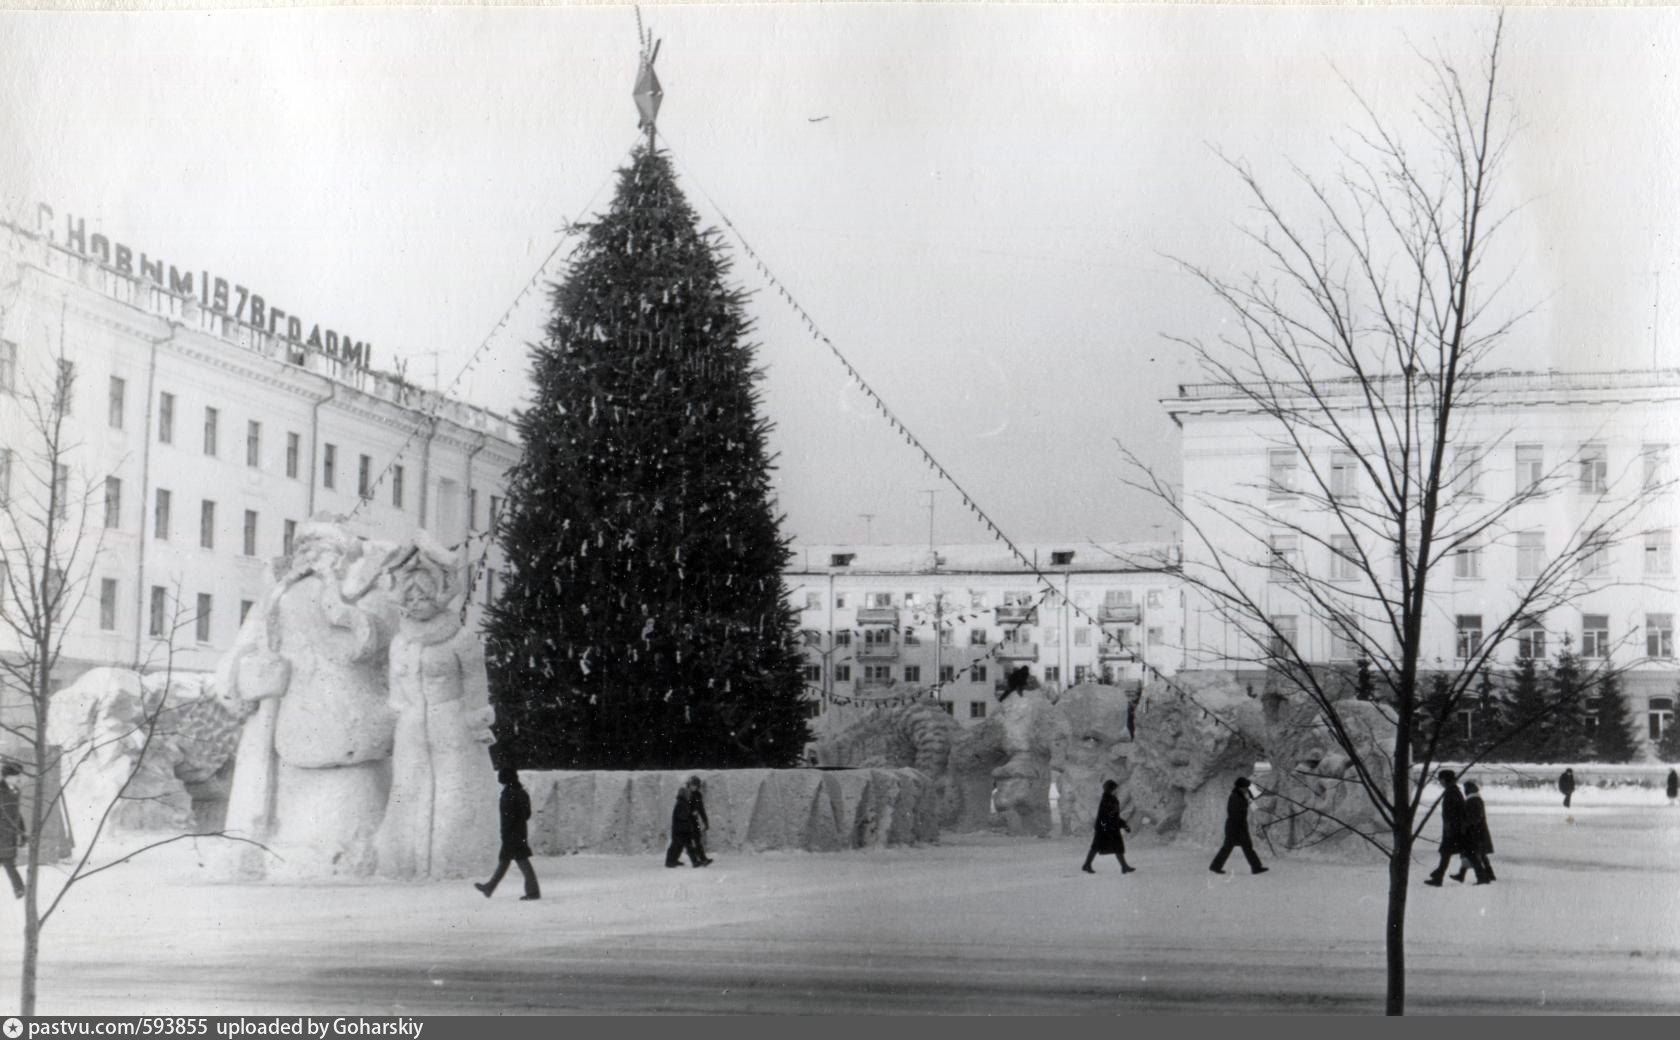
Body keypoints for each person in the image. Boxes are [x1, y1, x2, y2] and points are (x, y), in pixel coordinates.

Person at [475, 768, 540, 900]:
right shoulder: (522, 793)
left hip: (511, 833)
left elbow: (507, 817)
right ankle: (489, 887)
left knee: (520, 860)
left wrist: (506, 832)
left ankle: (533, 892)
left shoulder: (508, 794)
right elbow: (527, 814)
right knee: (507, 860)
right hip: (520, 831)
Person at [1210, 776, 1269, 876]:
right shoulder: (1235, 797)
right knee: (1235, 847)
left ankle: (1216, 866)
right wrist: (1241, 826)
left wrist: (1264, 792)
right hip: (1235, 826)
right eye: (1246, 786)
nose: (1247, 788)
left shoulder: (1242, 794)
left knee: (1242, 847)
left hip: (1237, 826)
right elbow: (1235, 813)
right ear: (1240, 787)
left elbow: (1252, 798)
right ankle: (1256, 867)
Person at [1425, 769, 1471, 886]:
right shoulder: (1454, 791)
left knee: (1446, 852)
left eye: (1440, 779)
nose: (1439, 782)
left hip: (1452, 829)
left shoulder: (1451, 793)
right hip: (1454, 828)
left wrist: (1449, 829)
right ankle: (1440, 875)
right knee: (1448, 852)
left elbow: (1454, 814)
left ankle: (1438, 877)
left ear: (1444, 780)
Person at [1081, 780, 1136, 874]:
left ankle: (1124, 866)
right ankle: (1087, 865)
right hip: (1107, 828)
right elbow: (1112, 816)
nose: (1117, 790)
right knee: (1110, 847)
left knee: (1103, 847)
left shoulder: (1107, 799)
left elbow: (1111, 815)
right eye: (1115, 788)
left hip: (1105, 827)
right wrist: (1123, 825)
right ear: (1112, 789)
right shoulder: (1110, 800)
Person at [1452, 780, 1495, 885]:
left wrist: (1466, 824)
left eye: (1465, 789)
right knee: (1480, 854)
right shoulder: (1476, 799)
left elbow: (1474, 817)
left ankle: (1481, 877)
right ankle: (1489, 875)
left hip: (1474, 833)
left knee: (1471, 853)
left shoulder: (1473, 800)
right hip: (1479, 832)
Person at [666, 776, 712, 868]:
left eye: (696, 785)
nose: (694, 787)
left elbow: (701, 809)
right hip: (684, 822)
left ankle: (702, 859)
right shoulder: (685, 794)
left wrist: (705, 821)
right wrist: (691, 813)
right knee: (682, 842)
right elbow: (683, 811)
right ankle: (672, 861)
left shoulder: (697, 795)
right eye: (692, 785)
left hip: (691, 821)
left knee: (695, 839)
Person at [1, 764, 26, 899]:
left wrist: (22, 833)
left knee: (8, 863)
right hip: (2, 834)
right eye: (17, 776)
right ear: (8, 777)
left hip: (9, 836)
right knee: (8, 862)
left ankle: (19, 890)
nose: (19, 779)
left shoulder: (15, 790)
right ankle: (19, 889)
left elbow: (17, 814)